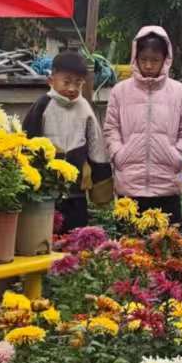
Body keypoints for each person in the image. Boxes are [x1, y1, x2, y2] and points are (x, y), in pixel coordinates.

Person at [102, 26, 182, 224]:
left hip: (167, 186)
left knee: (168, 242)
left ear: (166, 59)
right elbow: (111, 128)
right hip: (129, 187)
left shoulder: (180, 93)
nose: (148, 65)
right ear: (135, 58)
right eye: (143, 59)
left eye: (154, 60)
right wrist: (118, 154)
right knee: (127, 242)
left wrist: (178, 155)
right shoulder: (120, 92)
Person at [24, 48, 109, 234]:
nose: (72, 88)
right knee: (48, 232)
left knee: (77, 233)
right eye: (66, 82)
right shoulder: (43, 105)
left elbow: (96, 144)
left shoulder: (84, 107)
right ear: (51, 80)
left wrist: (101, 185)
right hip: (47, 186)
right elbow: (28, 140)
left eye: (78, 83)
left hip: (77, 187)